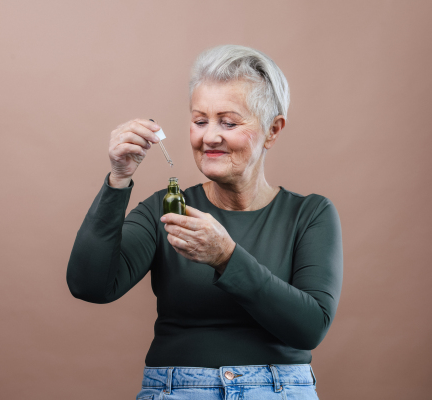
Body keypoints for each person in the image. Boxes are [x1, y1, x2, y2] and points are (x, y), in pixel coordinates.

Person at [66, 44, 343, 400]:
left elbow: (309, 329)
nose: (209, 136)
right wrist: (118, 178)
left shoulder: (310, 214)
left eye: (228, 122)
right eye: (200, 121)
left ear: (273, 130)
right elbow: (89, 286)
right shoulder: (165, 210)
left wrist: (226, 257)